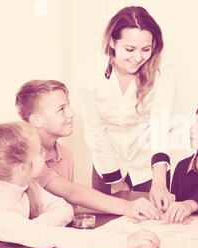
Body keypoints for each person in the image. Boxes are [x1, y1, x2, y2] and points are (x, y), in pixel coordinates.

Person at [0, 122, 160, 248]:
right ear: (23, 168)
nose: (44, 153)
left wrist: (34, 227)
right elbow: (55, 237)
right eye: (38, 151)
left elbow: (64, 208)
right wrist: (124, 242)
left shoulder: (28, 186)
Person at [76, 6, 176, 212]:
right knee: (106, 232)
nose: (138, 57)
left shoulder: (163, 71)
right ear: (112, 42)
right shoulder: (89, 71)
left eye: (146, 49)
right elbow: (95, 131)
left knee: (154, 227)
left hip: (149, 166)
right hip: (106, 164)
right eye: (130, 49)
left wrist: (159, 182)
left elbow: (161, 125)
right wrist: (115, 181)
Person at [15, 80, 160, 220]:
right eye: (61, 109)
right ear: (36, 120)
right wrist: (126, 207)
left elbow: (68, 204)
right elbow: (72, 193)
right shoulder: (28, 158)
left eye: (68, 106)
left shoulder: (65, 154)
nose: (72, 113)